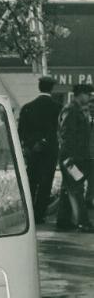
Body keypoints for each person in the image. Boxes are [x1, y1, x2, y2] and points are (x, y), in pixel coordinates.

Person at [18, 75, 61, 223]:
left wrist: (32, 144)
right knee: (45, 183)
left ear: (39, 88)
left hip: (33, 152)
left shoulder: (27, 107)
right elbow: (59, 130)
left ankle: (28, 213)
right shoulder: (58, 107)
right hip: (50, 151)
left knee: (31, 181)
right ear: (52, 89)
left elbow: (21, 132)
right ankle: (39, 215)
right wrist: (45, 141)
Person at [56, 83, 94, 232]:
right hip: (70, 158)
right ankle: (83, 223)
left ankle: (63, 221)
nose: (90, 97)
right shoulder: (71, 110)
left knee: (68, 188)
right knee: (76, 189)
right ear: (80, 94)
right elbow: (66, 135)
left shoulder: (77, 110)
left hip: (74, 157)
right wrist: (69, 158)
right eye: (88, 94)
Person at [85, 97, 94, 209]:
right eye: (90, 107)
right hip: (81, 155)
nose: (92, 109)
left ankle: (88, 199)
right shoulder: (82, 120)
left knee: (92, 180)